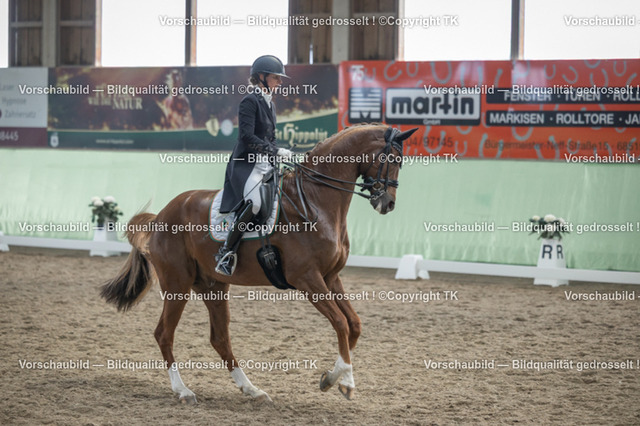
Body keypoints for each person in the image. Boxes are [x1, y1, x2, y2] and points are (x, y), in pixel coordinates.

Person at [215, 55, 294, 276]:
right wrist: (274, 151)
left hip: (266, 163)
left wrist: (278, 154)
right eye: (275, 77)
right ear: (261, 77)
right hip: (247, 165)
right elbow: (247, 137)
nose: (280, 82)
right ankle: (226, 252)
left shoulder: (270, 104)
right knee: (256, 203)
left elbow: (270, 138)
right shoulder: (249, 102)